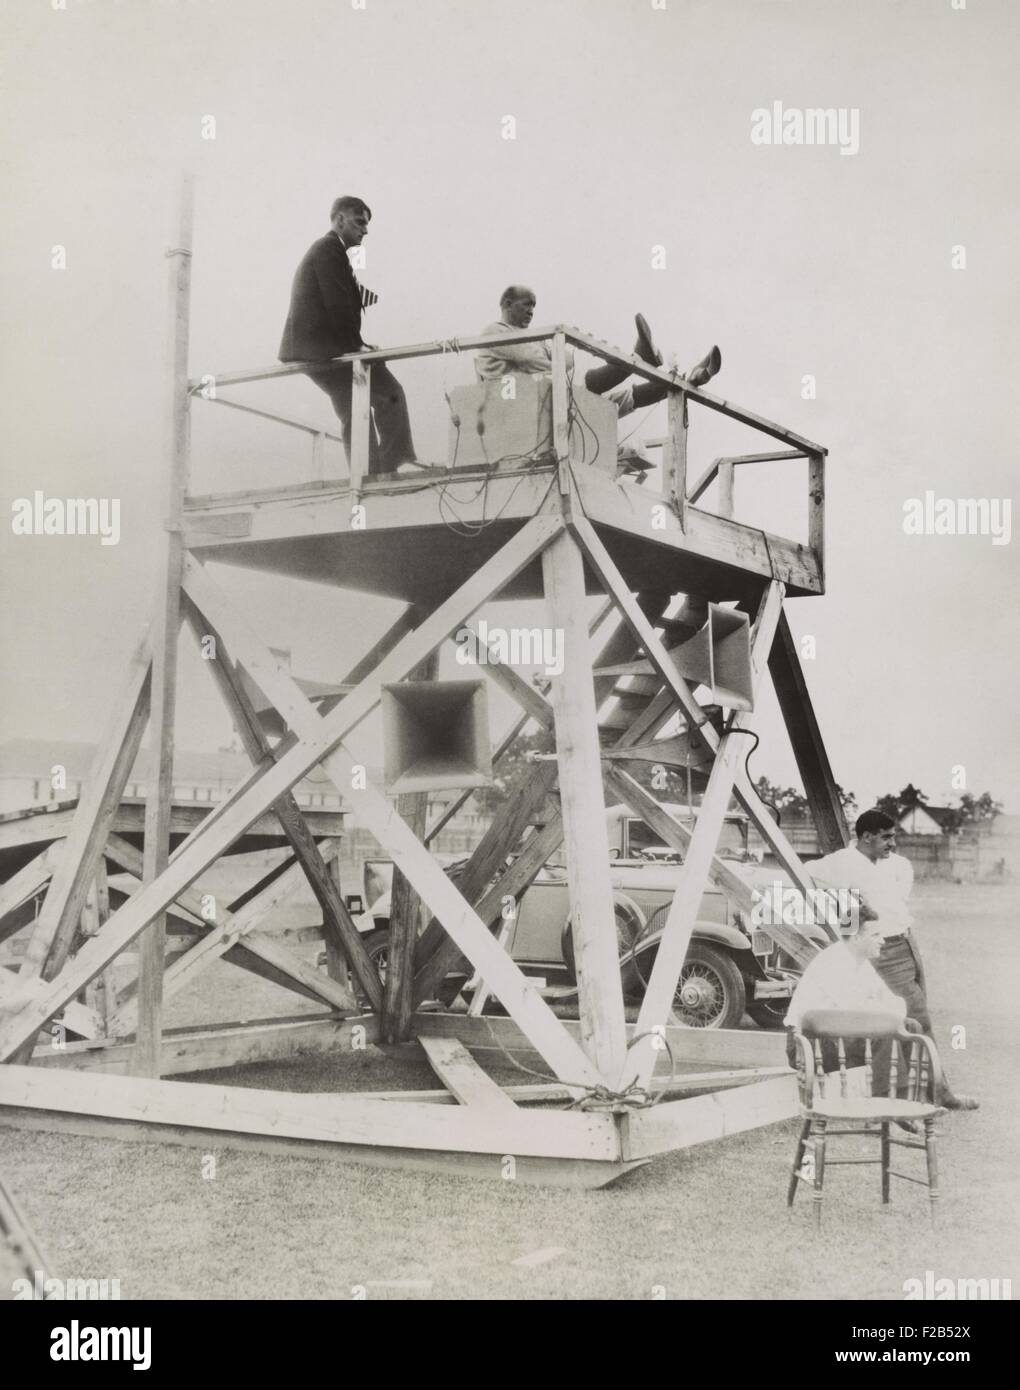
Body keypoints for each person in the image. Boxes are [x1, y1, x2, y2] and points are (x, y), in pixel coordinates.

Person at [806, 809, 978, 1110]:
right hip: (881, 950)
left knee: (915, 1019)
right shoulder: (841, 863)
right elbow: (803, 874)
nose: (892, 843)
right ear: (866, 837)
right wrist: (840, 907)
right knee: (911, 1020)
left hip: (906, 943)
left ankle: (924, 1091)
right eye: (886, 837)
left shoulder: (898, 864)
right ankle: (927, 1094)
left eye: (894, 836)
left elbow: (897, 903)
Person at [279, 196, 417, 476]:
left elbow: (339, 305)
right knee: (387, 393)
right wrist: (356, 347)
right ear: (339, 220)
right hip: (322, 350)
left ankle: (372, 472)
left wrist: (360, 345)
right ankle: (383, 469)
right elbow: (337, 305)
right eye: (359, 222)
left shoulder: (331, 251)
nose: (365, 230)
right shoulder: (329, 249)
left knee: (358, 405)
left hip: (320, 348)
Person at [474, 288, 674, 417]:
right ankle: (639, 358)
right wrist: (556, 359)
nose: (531, 311)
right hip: (513, 406)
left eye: (534, 306)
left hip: (540, 401)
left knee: (606, 404)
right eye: (527, 304)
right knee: (581, 387)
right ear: (508, 304)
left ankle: (676, 384)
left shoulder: (535, 339)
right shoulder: (496, 331)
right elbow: (544, 363)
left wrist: (557, 359)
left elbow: (566, 362)